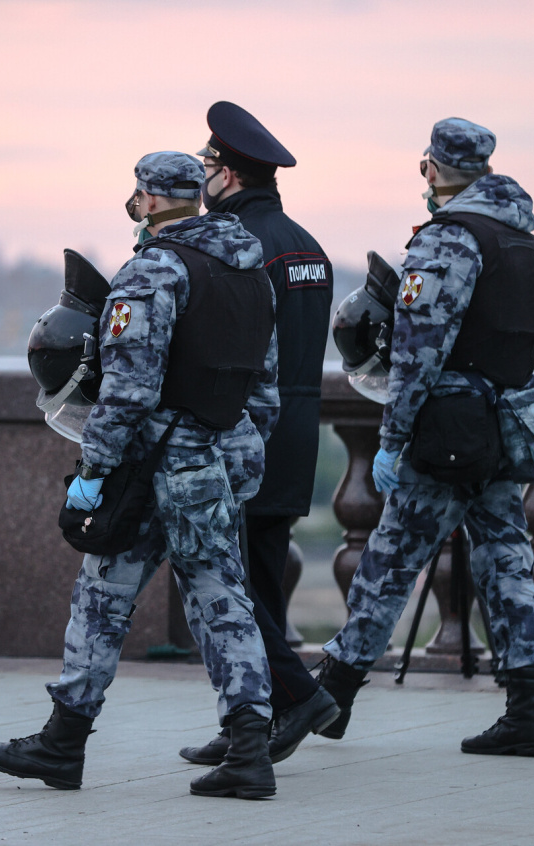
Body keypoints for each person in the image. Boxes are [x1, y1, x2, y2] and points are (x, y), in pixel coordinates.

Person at [0, 151, 282, 798]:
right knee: (224, 603)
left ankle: (64, 742)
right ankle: (251, 749)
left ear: (150, 199)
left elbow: (128, 392)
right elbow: (264, 389)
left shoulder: (153, 270)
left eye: (138, 195)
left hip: (153, 469)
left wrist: (94, 469)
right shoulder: (251, 271)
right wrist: (233, 451)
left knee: (102, 598)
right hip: (215, 464)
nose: (136, 205)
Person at [317, 118, 534, 757]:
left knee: (389, 562)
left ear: (433, 168)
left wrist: (393, 440)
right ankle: (528, 711)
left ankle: (332, 696)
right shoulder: (521, 238)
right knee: (507, 563)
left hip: (448, 431)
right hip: (505, 426)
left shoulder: (449, 238)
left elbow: (418, 352)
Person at [179, 101, 338, 768]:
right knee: (262, 581)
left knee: (227, 589)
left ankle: (298, 697)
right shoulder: (309, 247)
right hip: (297, 433)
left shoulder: (236, 248)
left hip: (241, 435)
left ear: (229, 175)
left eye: (207, 167)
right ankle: (249, 721)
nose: (201, 180)